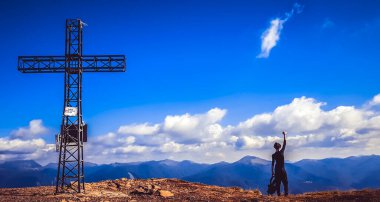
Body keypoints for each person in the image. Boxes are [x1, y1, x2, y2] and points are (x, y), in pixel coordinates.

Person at [272, 131, 288, 196]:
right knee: (285, 183)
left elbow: (273, 164)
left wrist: (272, 172)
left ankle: (279, 196)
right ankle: (286, 195)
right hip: (282, 170)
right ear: (279, 147)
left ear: (275, 147)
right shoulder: (281, 152)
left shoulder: (273, 155)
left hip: (276, 170)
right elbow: (285, 144)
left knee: (278, 184)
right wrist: (284, 135)